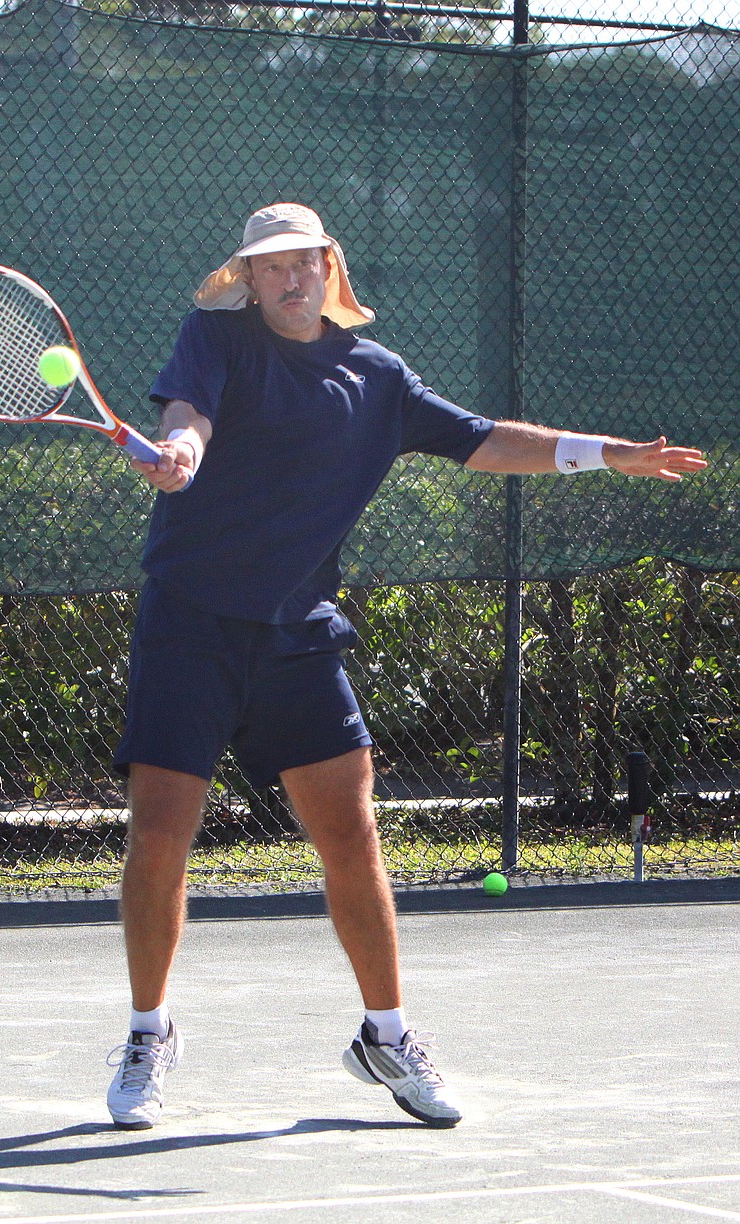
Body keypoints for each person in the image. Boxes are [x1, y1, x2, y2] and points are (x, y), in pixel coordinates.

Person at [105, 202, 707, 1131]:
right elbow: (190, 413)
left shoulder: (377, 378)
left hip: (300, 632)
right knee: (159, 836)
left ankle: (384, 1037)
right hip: (190, 624)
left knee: (352, 836)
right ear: (250, 281)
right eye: (271, 266)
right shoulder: (214, 340)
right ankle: (150, 1033)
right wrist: (183, 446)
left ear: (329, 269)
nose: (289, 278)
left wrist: (606, 456)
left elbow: (484, 438)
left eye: (303, 262)